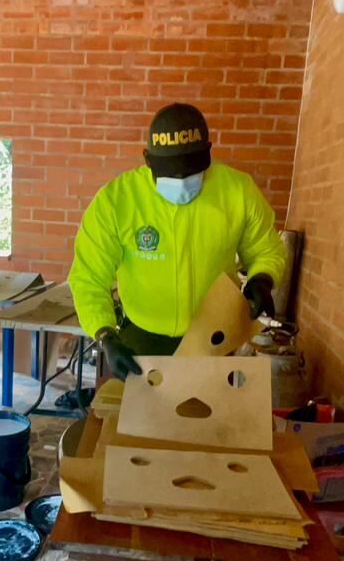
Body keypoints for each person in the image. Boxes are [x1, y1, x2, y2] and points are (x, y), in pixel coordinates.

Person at [69, 103, 286, 379]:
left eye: (192, 172)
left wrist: (262, 278)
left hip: (216, 340)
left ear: (208, 153)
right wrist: (104, 335)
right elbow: (89, 278)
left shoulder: (237, 192)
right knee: (144, 420)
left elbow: (266, 249)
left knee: (214, 419)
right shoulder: (117, 202)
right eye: (170, 173)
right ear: (148, 160)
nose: (182, 181)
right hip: (141, 340)